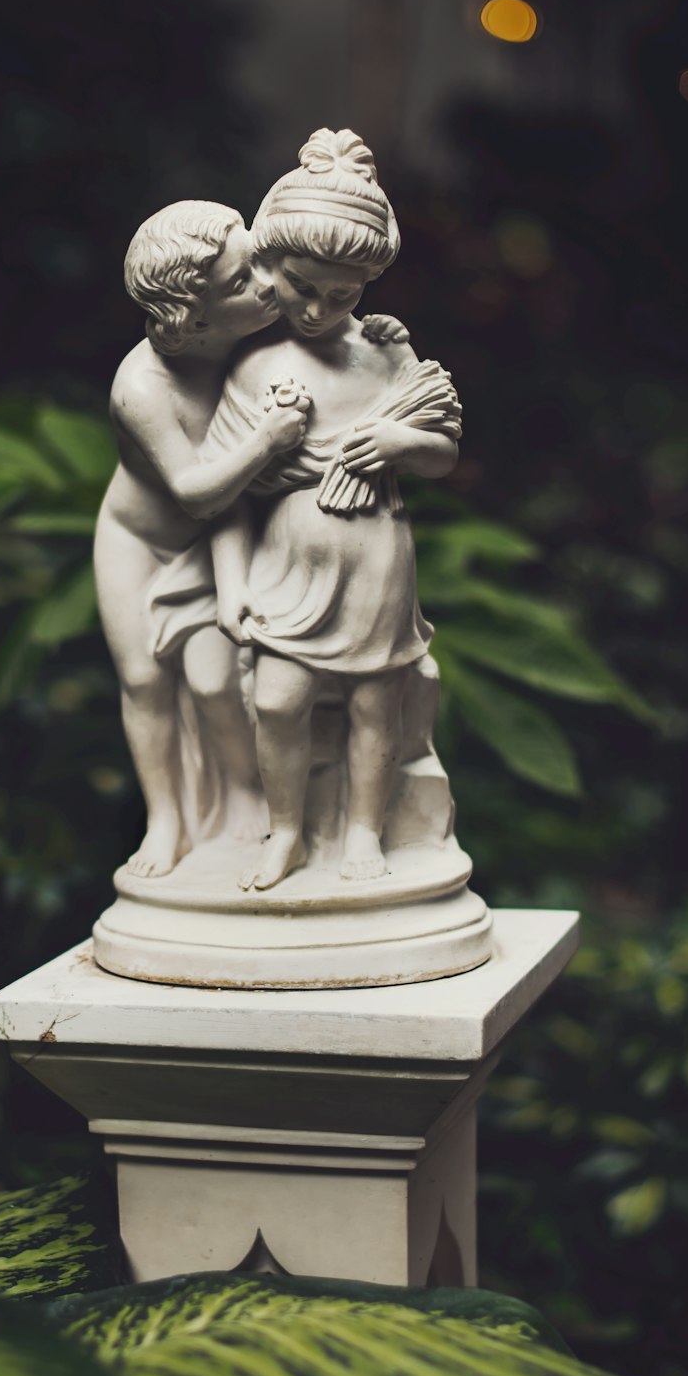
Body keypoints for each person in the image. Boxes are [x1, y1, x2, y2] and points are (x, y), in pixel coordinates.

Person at [207, 130, 463, 890]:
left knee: (376, 707)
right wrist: (230, 586)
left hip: (377, 559)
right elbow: (221, 494)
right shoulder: (255, 366)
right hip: (288, 561)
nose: (317, 309)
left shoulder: (388, 357)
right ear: (268, 267)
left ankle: (362, 834)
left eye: (341, 295)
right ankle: (286, 830)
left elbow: (443, 452)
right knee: (279, 699)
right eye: (300, 286)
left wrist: (397, 442)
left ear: (368, 286)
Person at [94, 200, 306, 878]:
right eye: (245, 281)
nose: (269, 284)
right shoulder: (143, 386)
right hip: (139, 539)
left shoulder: (258, 340)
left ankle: (246, 792)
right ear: (194, 317)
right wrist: (269, 437)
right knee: (142, 679)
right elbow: (194, 490)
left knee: (217, 683)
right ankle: (165, 820)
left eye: (258, 260)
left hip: (225, 536)